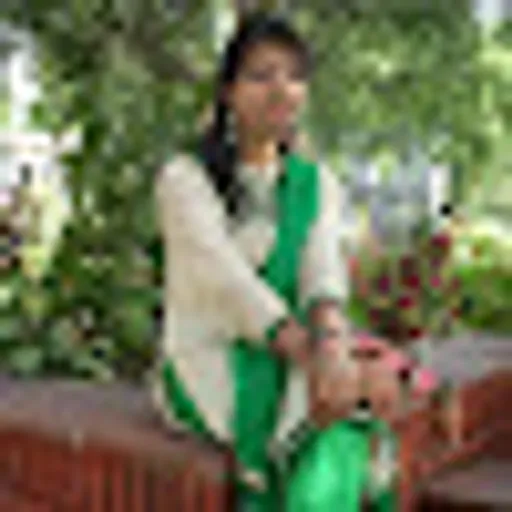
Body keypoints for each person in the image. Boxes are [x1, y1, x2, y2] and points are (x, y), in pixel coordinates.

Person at [151, 12, 397, 511]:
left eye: (295, 76)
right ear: (228, 93)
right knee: (322, 415)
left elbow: (322, 271)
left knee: (339, 423)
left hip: (298, 349)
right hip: (211, 355)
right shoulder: (185, 180)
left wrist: (332, 347)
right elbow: (227, 284)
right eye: (261, 75)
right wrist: (316, 360)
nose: (282, 89)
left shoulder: (315, 183)